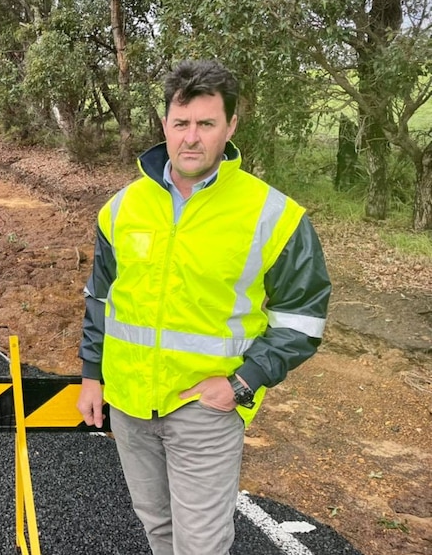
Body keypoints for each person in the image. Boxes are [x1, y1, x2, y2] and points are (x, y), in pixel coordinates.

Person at [76, 59, 331, 555]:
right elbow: (101, 297)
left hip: (206, 407)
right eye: (181, 123)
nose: (192, 138)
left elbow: (302, 318)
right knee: (158, 529)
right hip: (129, 403)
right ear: (165, 124)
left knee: (201, 546)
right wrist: (92, 374)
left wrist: (243, 381)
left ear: (230, 127)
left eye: (206, 124)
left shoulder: (273, 215)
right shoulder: (122, 208)